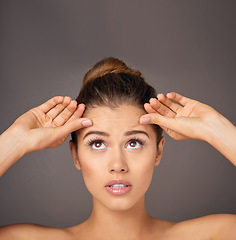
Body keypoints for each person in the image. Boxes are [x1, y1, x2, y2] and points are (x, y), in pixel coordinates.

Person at [0, 57, 235, 239]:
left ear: (158, 151)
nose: (117, 165)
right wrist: (15, 140)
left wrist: (217, 130)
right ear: (76, 155)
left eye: (134, 143)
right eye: (98, 143)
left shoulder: (218, 235)